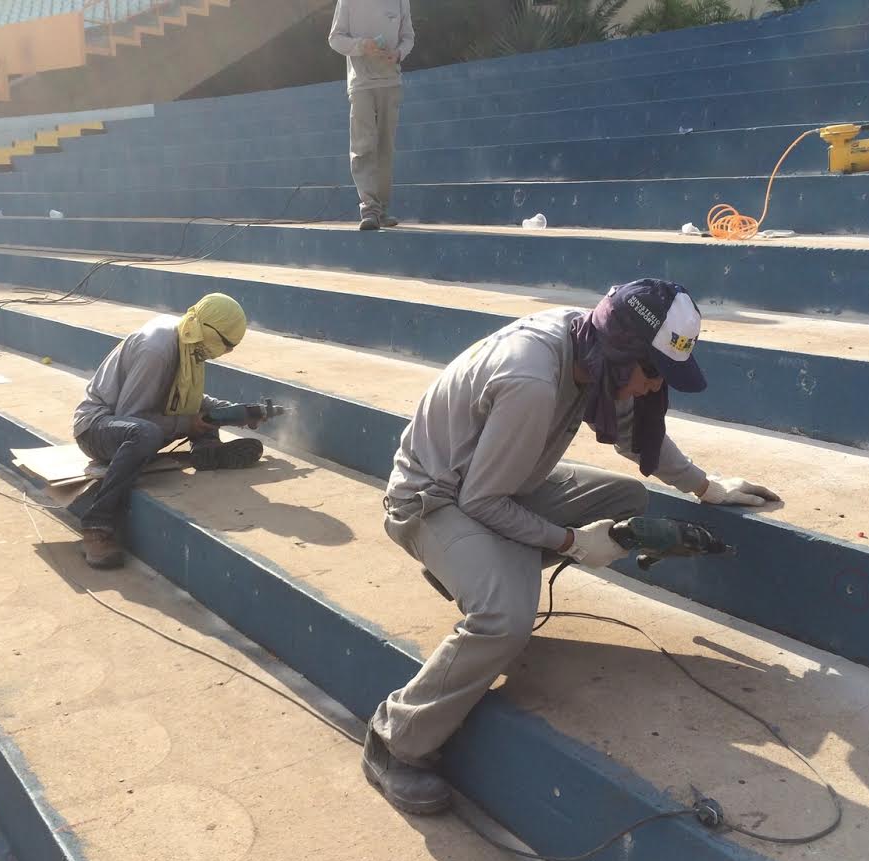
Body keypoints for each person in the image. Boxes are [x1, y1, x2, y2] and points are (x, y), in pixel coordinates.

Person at [365, 279, 781, 815]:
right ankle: (396, 739)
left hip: (494, 483)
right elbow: (484, 501)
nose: (656, 389)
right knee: (504, 619)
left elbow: (637, 434)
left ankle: (475, 565)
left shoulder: (590, 345)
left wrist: (705, 486)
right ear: (625, 352)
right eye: (654, 373)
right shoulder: (534, 379)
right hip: (435, 501)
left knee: (627, 495)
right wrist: (575, 543)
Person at [72, 293, 263, 570]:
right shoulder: (157, 350)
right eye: (227, 344)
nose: (228, 352)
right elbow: (131, 417)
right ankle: (96, 525)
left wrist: (235, 412)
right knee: (147, 434)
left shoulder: (189, 338)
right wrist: (187, 424)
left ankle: (206, 451)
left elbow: (189, 398)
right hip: (99, 427)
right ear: (210, 331)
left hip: (140, 423)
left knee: (206, 416)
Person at [329, 0, 414, 231]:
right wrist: (360, 46)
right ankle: (369, 209)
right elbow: (335, 38)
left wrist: (398, 54)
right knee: (363, 146)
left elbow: (408, 37)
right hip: (361, 84)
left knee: (385, 147)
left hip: (391, 82)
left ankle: (382, 209)